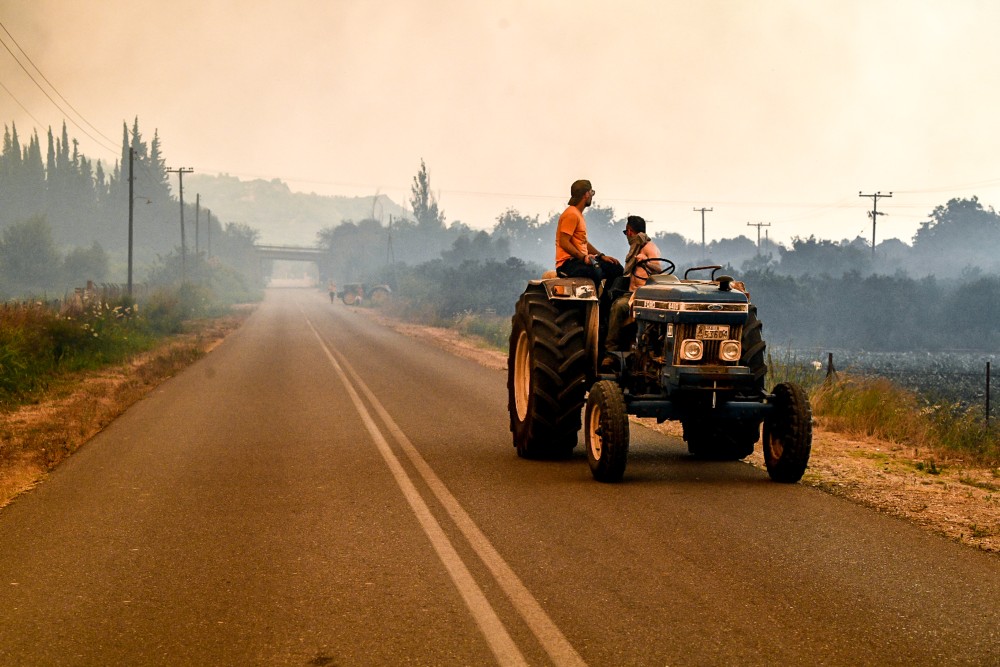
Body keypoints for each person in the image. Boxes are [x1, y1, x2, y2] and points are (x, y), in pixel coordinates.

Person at [606, 215, 661, 354]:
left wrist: (645, 262)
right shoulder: (635, 249)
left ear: (629, 231)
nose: (627, 236)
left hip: (643, 295)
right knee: (609, 303)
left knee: (618, 307)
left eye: (626, 233)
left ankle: (610, 350)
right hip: (630, 293)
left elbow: (659, 269)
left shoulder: (649, 247)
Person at [554, 179, 622, 284]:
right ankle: (600, 299)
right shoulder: (571, 214)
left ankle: (605, 299)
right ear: (586, 194)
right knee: (596, 271)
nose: (592, 196)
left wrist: (601, 256)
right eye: (592, 192)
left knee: (615, 268)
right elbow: (564, 242)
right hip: (568, 264)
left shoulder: (577, 214)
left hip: (578, 261)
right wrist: (584, 257)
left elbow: (584, 243)